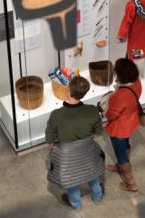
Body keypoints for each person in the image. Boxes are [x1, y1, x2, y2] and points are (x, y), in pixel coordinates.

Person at [45, 76, 105, 210]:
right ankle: (97, 196)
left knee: (71, 181)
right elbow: (98, 132)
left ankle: (76, 205)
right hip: (87, 150)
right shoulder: (92, 110)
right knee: (93, 174)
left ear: (68, 90)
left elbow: (49, 137)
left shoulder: (56, 114)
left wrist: (54, 146)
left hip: (66, 154)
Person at [104, 58, 142, 192]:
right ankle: (121, 165)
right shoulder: (137, 83)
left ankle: (131, 183)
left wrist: (104, 112)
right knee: (125, 145)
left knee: (121, 154)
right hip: (131, 122)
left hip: (119, 128)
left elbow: (112, 114)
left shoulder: (120, 95)